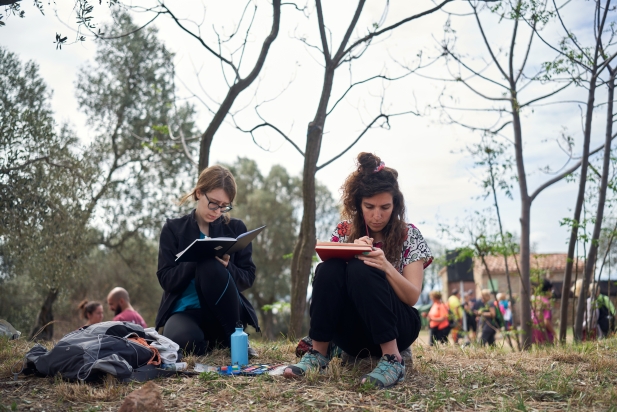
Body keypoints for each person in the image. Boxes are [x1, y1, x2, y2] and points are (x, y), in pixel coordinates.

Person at [283, 153, 432, 389]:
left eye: (385, 207)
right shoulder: (344, 231)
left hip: (398, 326)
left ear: (396, 205)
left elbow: (412, 296)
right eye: (369, 207)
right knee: (329, 268)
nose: (377, 215)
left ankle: (393, 359)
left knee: (364, 268)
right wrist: (351, 251)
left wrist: (385, 267)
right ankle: (319, 353)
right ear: (357, 204)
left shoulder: (409, 235)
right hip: (353, 332)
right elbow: (329, 284)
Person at [155, 165, 259, 356]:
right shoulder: (173, 229)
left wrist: (228, 266)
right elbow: (166, 279)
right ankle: (211, 344)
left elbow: (248, 277)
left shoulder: (235, 228)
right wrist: (195, 258)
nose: (217, 211)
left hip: (225, 313)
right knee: (183, 342)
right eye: (213, 203)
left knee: (211, 266)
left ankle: (234, 341)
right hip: (186, 312)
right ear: (199, 193)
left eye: (224, 206)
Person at [531, 279, 555, 345]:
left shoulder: (534, 300)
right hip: (544, 333)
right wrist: (554, 333)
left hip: (534, 332)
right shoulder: (546, 302)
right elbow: (546, 321)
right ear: (548, 290)